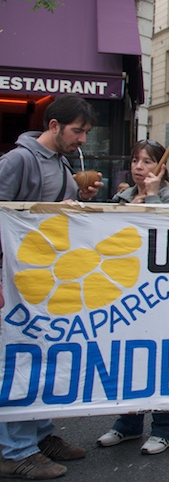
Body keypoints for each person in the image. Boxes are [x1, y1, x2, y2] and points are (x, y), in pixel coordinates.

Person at [0, 95, 98, 479]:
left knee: (40, 359)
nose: (83, 141)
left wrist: (76, 199)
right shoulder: (18, 161)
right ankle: (15, 450)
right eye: (78, 131)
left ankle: (38, 435)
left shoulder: (60, 164)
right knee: (19, 362)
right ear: (54, 126)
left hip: (41, 283)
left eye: (86, 132)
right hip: (16, 282)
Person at [98, 140, 169, 454]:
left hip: (159, 296)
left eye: (147, 161)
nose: (139, 167)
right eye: (135, 160)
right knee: (128, 359)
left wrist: (151, 195)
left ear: (161, 167)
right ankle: (128, 423)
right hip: (125, 293)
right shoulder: (120, 198)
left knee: (162, 360)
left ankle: (164, 428)